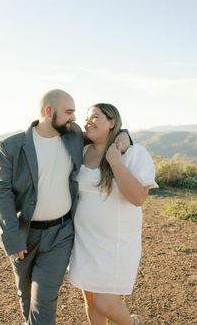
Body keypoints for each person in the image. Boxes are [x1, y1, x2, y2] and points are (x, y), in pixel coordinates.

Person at [0, 89, 131, 325]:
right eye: (69, 112)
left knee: (44, 300)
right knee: (25, 297)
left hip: (61, 234)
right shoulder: (10, 146)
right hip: (23, 235)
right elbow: (1, 193)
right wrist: (12, 237)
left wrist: (126, 135)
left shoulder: (73, 135)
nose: (74, 118)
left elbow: (106, 133)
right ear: (49, 112)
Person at [69, 103, 158, 325]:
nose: (88, 121)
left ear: (112, 122)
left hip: (115, 244)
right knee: (91, 302)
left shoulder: (134, 153)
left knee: (105, 303)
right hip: (83, 240)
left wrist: (116, 162)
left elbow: (137, 198)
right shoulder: (80, 151)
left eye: (95, 117)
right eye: (87, 117)